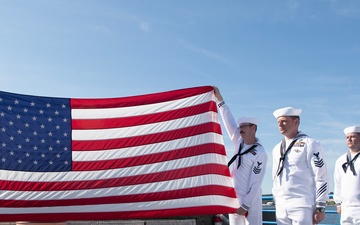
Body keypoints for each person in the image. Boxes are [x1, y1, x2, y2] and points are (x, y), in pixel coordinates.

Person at [213, 86, 268, 225]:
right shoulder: (239, 141)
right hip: (234, 198)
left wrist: (246, 206)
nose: (240, 129)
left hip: (250, 201)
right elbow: (229, 121)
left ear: (253, 128)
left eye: (244, 126)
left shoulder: (260, 153)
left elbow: (256, 183)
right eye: (240, 127)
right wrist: (220, 100)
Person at [272, 106, 329, 225]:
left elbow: (321, 176)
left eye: (284, 121)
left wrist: (320, 206)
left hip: (302, 205)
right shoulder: (277, 148)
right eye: (278, 122)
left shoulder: (310, 143)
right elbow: (275, 177)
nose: (280, 125)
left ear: (296, 122)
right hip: (281, 206)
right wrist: (276, 200)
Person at [334, 126, 360, 225]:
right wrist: (338, 204)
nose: (349, 139)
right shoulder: (340, 160)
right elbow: (338, 183)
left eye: (352, 136)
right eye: (347, 137)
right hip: (346, 208)